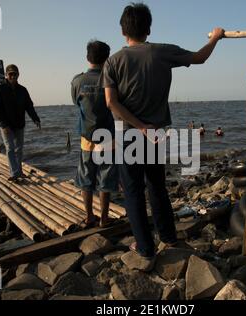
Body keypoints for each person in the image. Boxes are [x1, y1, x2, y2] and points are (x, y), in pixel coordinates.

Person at [102, 2, 225, 261]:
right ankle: (168, 238)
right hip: (155, 133)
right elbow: (200, 57)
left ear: (123, 31)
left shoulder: (113, 61)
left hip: (127, 134)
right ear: (148, 29)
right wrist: (215, 37)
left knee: (134, 191)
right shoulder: (161, 52)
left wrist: (138, 126)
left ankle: (145, 248)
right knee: (157, 186)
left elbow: (111, 102)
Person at [71, 40, 118, 229]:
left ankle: (89, 216)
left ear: (87, 57)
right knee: (106, 178)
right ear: (107, 58)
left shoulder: (78, 81)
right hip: (108, 136)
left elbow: (76, 102)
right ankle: (104, 218)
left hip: (87, 137)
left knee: (86, 178)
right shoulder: (112, 80)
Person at [0, 64, 41, 182]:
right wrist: (3, 125)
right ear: (6, 75)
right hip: (6, 125)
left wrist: (35, 118)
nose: (13, 76)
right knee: (10, 148)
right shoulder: (0, 89)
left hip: (19, 124)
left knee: (19, 149)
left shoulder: (23, 90)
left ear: (18, 75)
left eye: (15, 74)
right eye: (10, 74)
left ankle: (19, 171)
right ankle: (14, 173)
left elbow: (29, 106)